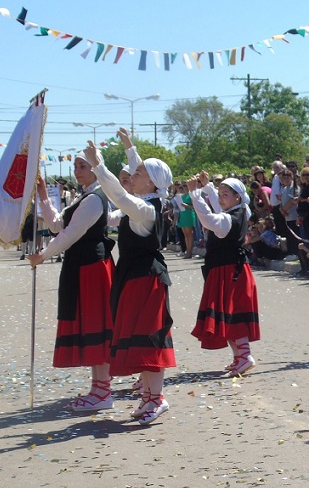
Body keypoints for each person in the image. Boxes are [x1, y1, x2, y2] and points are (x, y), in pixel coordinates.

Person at [85, 138, 175, 426]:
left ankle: (157, 398)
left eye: (138, 175)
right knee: (139, 338)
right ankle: (148, 396)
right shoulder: (146, 201)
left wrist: (99, 166)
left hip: (146, 279)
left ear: (151, 183)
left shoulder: (146, 208)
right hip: (135, 278)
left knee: (150, 339)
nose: (132, 176)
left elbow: (121, 196)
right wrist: (129, 147)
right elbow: (138, 179)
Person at [27, 154, 115, 411]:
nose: (78, 171)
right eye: (76, 166)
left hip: (92, 267)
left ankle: (103, 392)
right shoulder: (85, 197)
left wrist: (43, 255)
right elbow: (56, 225)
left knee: (97, 326)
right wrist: (43, 194)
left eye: (83, 166)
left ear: (96, 169)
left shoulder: (95, 199)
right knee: (90, 325)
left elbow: (70, 233)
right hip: (81, 266)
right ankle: (99, 389)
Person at [188, 171, 261, 375]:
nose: (220, 198)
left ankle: (245, 356)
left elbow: (209, 219)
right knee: (227, 314)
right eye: (219, 194)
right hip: (226, 269)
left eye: (225, 194)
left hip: (230, 271)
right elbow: (218, 208)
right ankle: (240, 357)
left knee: (233, 313)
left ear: (237, 197)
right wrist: (208, 187)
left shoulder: (231, 218)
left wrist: (195, 195)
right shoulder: (237, 211)